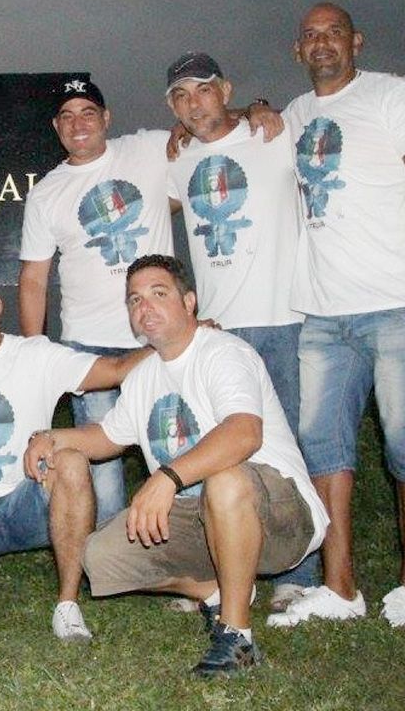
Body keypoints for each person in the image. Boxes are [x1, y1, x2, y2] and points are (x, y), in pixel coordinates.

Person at [27, 255, 328, 676]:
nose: (144, 307)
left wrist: (167, 478)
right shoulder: (145, 374)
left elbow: (244, 433)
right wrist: (51, 438)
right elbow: (106, 437)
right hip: (201, 520)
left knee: (223, 481)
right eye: (134, 299)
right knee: (98, 556)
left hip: (279, 514)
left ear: (189, 302)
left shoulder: (222, 352)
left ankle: (238, 636)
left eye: (158, 293)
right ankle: (215, 593)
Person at [266, 3, 405, 630]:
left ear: (356, 40)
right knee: (324, 445)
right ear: (299, 50)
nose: (322, 43)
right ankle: (341, 586)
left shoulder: (394, 96)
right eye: (310, 36)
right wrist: (250, 110)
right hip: (323, 312)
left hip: (399, 299)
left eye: (333, 33)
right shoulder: (295, 115)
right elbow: (252, 126)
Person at [0, 265, 146, 642]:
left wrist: (177, 339)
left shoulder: (35, 354)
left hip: (31, 496)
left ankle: (67, 605)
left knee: (70, 459)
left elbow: (115, 369)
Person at [163, 52, 317, 610]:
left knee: (285, 453)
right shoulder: (177, 158)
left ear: (225, 88)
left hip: (281, 321)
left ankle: (300, 575)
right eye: (180, 97)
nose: (193, 104)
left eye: (202, 90)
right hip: (216, 331)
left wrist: (261, 107)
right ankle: (223, 575)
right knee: (214, 453)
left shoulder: (274, 133)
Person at [18, 79, 174, 516]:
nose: (78, 123)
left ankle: (188, 557)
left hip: (158, 336)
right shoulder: (47, 192)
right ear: (56, 126)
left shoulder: (148, 149)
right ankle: (110, 565)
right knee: (102, 465)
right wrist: (35, 349)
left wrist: (253, 110)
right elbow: (34, 277)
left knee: (174, 445)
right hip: (89, 344)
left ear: (106, 118)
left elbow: (204, 121)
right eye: (66, 116)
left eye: (88, 112)